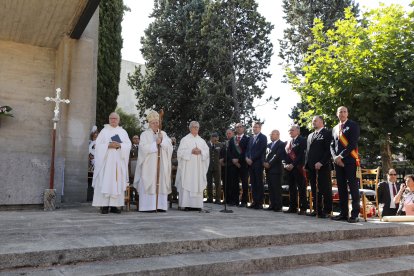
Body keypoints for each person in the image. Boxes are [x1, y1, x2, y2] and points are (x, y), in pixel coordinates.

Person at [92, 112, 131, 214]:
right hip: (106, 163)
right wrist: (109, 145)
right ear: (109, 119)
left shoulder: (123, 132)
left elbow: (128, 145)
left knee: (116, 182)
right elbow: (97, 146)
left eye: (115, 118)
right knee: (105, 181)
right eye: (111, 118)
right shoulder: (104, 131)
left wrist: (120, 146)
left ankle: (114, 206)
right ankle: (104, 205)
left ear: (118, 120)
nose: (113, 120)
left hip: (118, 163)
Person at [133, 111, 172, 212]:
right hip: (149, 165)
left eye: (157, 122)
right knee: (149, 181)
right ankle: (148, 206)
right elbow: (142, 148)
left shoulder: (163, 134)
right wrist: (155, 144)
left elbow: (169, 147)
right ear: (149, 124)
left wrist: (162, 141)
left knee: (161, 182)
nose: (156, 124)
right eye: (153, 122)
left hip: (161, 165)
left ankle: (160, 206)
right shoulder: (144, 134)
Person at [330, 106, 360, 223]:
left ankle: (355, 214)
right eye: (340, 112)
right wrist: (335, 158)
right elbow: (332, 145)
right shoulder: (335, 128)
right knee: (341, 188)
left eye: (344, 112)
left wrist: (340, 156)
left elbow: (352, 144)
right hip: (338, 162)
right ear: (337, 114)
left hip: (350, 161)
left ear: (347, 113)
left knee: (353, 188)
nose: (342, 114)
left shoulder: (353, 125)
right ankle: (343, 213)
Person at [176, 121, 210, 210]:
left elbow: (207, 153)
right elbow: (180, 153)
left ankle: (197, 205)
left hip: (198, 168)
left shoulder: (201, 141)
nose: (195, 129)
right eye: (193, 127)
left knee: (197, 183)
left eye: (197, 127)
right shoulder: (185, 140)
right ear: (190, 128)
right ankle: (186, 204)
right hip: (188, 168)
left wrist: (201, 151)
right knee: (187, 182)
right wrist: (190, 151)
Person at [305, 116, 333, 218]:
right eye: (312, 121)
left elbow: (329, 150)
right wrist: (306, 164)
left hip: (323, 166)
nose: (313, 123)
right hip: (312, 167)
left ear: (321, 122)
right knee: (314, 189)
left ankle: (327, 210)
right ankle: (317, 210)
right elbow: (308, 152)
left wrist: (321, 162)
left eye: (315, 121)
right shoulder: (310, 135)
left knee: (325, 188)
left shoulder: (327, 133)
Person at [283, 125, 307, 215]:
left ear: (298, 131)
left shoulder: (302, 140)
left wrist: (293, 164)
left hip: (298, 168)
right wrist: (285, 164)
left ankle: (303, 208)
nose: (290, 132)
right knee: (292, 188)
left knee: (301, 188)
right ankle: (292, 207)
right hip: (289, 169)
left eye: (292, 130)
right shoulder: (288, 142)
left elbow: (301, 155)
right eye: (289, 130)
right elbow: (284, 156)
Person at [246, 122, 268, 209]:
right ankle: (254, 201)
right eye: (253, 127)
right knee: (253, 183)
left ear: (260, 128)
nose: (254, 128)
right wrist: (246, 158)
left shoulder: (263, 137)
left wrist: (252, 159)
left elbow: (261, 150)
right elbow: (247, 150)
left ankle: (259, 203)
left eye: (256, 127)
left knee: (259, 183)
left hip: (258, 163)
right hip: (250, 164)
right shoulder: (251, 138)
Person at [263, 130, 285, 212]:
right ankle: (272, 204)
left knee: (276, 188)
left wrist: (269, 163)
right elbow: (264, 155)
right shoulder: (268, 145)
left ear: (278, 135)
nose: (270, 135)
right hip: (268, 169)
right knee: (271, 188)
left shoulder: (281, 144)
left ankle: (278, 206)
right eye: (270, 134)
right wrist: (264, 162)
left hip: (276, 169)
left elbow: (277, 155)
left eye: (272, 134)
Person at [228, 123, 250, 207]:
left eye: (241, 127)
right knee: (234, 183)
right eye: (237, 127)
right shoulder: (232, 139)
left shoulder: (248, 139)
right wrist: (233, 160)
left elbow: (247, 151)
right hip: (233, 164)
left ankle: (244, 201)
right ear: (235, 129)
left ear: (243, 128)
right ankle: (234, 201)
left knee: (244, 183)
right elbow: (229, 151)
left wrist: (238, 160)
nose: (239, 128)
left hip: (243, 164)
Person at [206, 132, 222, 204]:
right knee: (208, 182)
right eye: (213, 137)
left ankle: (218, 199)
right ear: (211, 138)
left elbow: (223, 154)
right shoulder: (206, 145)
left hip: (217, 166)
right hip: (208, 166)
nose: (215, 139)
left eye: (216, 138)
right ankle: (210, 198)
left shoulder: (220, 145)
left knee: (217, 183)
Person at [220, 129, 235, 205]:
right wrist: (220, 160)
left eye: (229, 133)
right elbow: (222, 152)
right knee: (225, 183)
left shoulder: (235, 142)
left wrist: (224, 159)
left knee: (231, 184)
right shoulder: (225, 143)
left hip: (231, 166)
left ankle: (231, 200)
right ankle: (226, 198)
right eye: (227, 133)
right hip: (224, 166)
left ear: (233, 134)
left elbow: (231, 153)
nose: (228, 135)